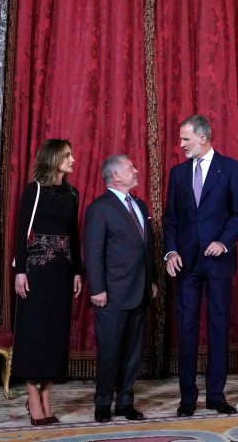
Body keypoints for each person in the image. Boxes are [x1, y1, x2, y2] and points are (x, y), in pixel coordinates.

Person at [163, 114, 238, 416]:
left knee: (217, 327)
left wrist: (224, 241)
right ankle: (187, 397)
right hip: (186, 263)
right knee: (186, 328)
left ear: (203, 137)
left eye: (186, 138)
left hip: (218, 262)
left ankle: (216, 395)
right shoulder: (177, 174)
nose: (182, 144)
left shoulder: (230, 169)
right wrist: (171, 252)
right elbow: (170, 219)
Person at [11, 138, 83, 426]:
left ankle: (48, 398)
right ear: (53, 158)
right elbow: (20, 232)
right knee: (34, 332)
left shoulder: (73, 193)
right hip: (36, 272)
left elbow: (74, 235)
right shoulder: (35, 190)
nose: (73, 159)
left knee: (55, 334)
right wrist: (20, 272)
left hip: (62, 272)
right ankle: (32, 397)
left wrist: (78, 271)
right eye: (67, 155)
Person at [82, 154, 157, 423]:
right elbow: (93, 252)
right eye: (130, 168)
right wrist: (97, 289)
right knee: (111, 351)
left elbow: (146, 249)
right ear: (115, 175)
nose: (136, 170)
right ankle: (103, 402)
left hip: (140, 292)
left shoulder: (139, 203)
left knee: (134, 352)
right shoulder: (99, 208)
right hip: (111, 294)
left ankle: (125, 401)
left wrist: (152, 281)